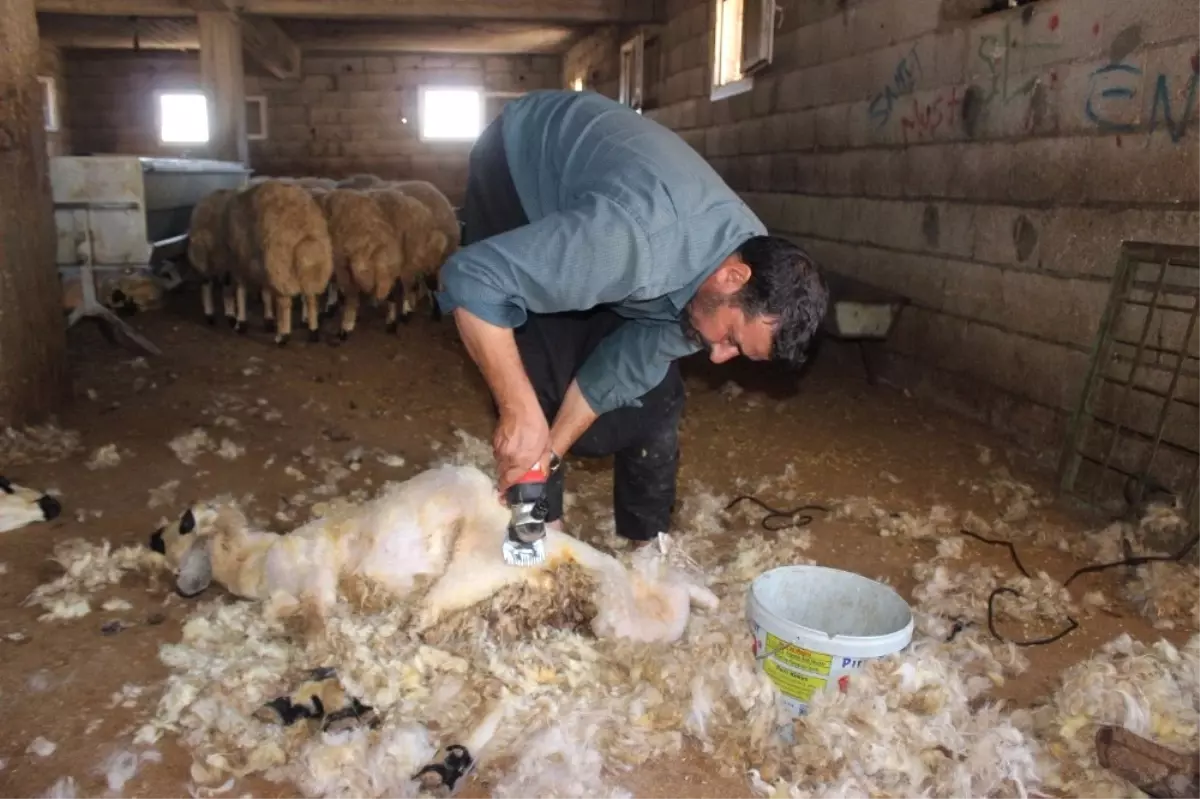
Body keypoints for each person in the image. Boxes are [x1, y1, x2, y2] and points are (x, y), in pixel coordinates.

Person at [435, 89, 828, 547]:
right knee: (535, 356)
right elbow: (473, 279)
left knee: (653, 394)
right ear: (732, 277)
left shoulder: (740, 268)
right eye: (734, 341)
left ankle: (638, 537)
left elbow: (620, 368)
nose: (720, 358)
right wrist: (518, 410)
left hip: (620, 219)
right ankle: (538, 528)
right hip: (522, 161)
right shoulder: (633, 243)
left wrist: (550, 453)